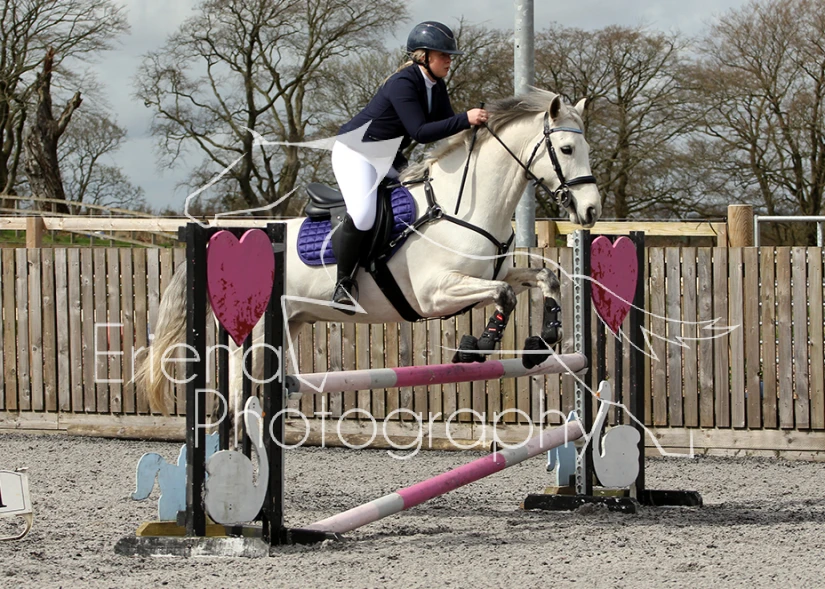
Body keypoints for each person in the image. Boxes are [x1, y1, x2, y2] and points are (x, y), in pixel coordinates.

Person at [330, 20, 490, 313]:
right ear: (423, 56)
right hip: (356, 152)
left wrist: (478, 135)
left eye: (449, 55)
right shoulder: (403, 82)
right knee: (363, 215)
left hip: (387, 157)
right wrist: (465, 118)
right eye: (443, 55)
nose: (449, 60)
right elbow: (420, 131)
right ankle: (343, 284)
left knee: (417, 200)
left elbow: (448, 128)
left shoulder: (436, 86)